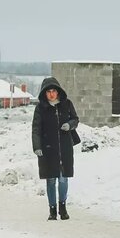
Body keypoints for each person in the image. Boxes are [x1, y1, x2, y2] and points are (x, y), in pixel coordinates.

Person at [32, 77, 80, 221]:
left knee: (63, 179)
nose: (52, 94)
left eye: (54, 91)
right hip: (48, 149)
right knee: (51, 180)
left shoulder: (67, 104)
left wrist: (70, 125)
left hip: (64, 147)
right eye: (48, 92)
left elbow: (75, 119)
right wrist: (37, 146)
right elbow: (36, 129)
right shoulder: (40, 108)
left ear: (58, 92)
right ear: (44, 94)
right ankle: (52, 210)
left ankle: (63, 208)